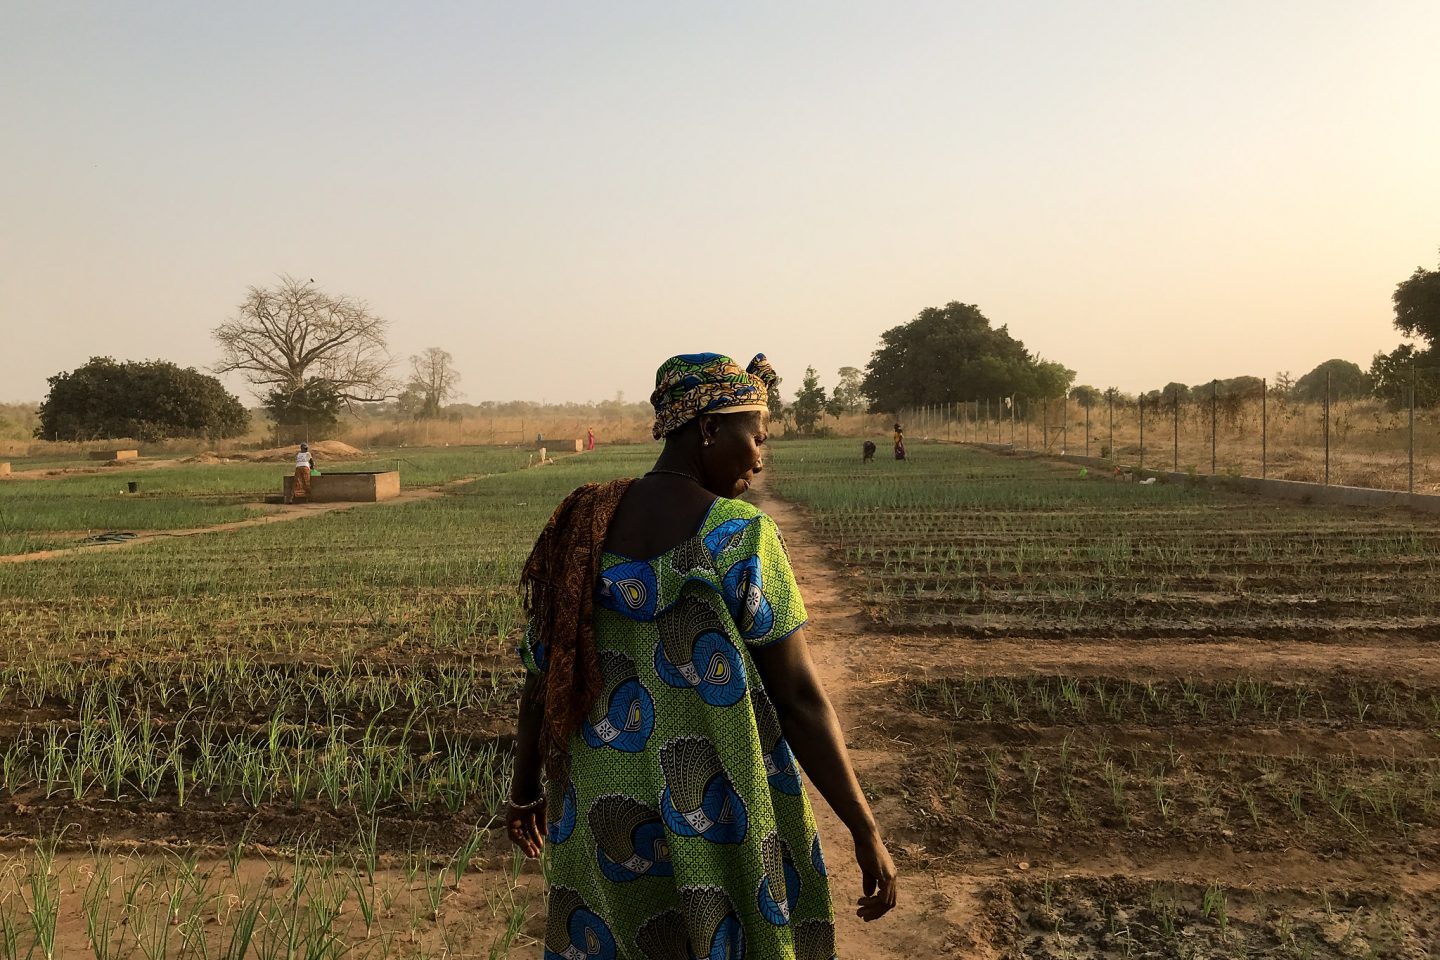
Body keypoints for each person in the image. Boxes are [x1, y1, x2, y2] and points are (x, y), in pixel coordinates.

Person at [509, 352, 896, 959]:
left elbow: (542, 677)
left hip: (594, 810)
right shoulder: (739, 536)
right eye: (757, 438)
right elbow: (798, 700)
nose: (761, 458)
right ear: (710, 428)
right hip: (711, 810)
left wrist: (525, 789)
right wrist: (864, 826)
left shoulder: (582, 523)